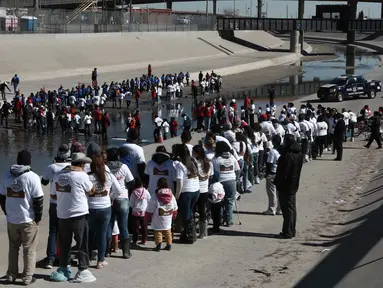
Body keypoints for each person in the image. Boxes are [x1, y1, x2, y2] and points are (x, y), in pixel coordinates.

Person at [50, 153, 96, 283]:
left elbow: (53, 195)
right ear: (81, 164)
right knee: (82, 243)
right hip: (79, 214)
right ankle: (82, 269)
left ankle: (64, 267)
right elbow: (91, 190)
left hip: (62, 215)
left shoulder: (59, 175)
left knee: (64, 243)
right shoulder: (82, 175)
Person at [0, 150, 43, 285]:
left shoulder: (6, 175)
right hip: (28, 219)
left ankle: (11, 274)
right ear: (29, 161)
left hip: (12, 219)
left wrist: (7, 213)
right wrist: (38, 218)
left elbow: (2, 198)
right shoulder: (32, 177)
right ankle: (27, 277)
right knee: (29, 249)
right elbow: (38, 200)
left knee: (13, 248)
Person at [87, 154, 123, 269]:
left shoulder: (88, 177)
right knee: (102, 234)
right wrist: (110, 197)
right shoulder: (109, 176)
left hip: (91, 207)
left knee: (90, 234)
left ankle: (87, 258)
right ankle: (100, 260)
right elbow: (118, 190)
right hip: (105, 207)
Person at [41, 144, 71, 269]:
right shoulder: (71, 167)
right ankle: (64, 258)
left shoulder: (51, 167)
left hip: (54, 202)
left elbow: (44, 182)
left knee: (53, 231)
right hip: (67, 203)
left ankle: (50, 259)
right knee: (66, 232)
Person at [274, 134, 304, 239]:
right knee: (292, 208)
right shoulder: (299, 153)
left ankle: (288, 231)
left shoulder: (288, 155)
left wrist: (277, 182)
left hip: (286, 185)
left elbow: (283, 172)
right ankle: (291, 229)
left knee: (287, 209)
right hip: (294, 183)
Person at [106, 148, 134, 258]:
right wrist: (127, 191)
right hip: (122, 197)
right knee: (123, 226)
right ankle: (126, 252)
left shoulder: (106, 167)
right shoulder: (123, 167)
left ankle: (107, 251)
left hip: (108, 198)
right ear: (118, 156)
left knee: (109, 225)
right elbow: (131, 181)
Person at [174, 144, 200, 243]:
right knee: (190, 212)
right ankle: (188, 233)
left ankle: (189, 234)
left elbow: (179, 182)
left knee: (186, 215)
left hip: (187, 192)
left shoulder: (180, 165)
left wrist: (176, 196)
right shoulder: (193, 160)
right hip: (196, 190)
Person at [212, 141, 240, 227]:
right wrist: (236, 179)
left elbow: (215, 173)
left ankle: (219, 220)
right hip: (231, 180)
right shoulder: (232, 157)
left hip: (220, 181)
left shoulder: (216, 159)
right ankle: (229, 220)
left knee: (219, 200)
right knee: (230, 201)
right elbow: (238, 170)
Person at [145, 178, 178, 252]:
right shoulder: (171, 195)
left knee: (158, 232)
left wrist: (147, 218)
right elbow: (175, 206)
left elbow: (150, 208)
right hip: (168, 216)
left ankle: (158, 246)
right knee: (168, 231)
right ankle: (169, 245)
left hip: (158, 217)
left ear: (158, 185)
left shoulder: (155, 195)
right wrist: (174, 215)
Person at [193, 145, 213, 238]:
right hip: (205, 189)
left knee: (193, 210)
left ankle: (192, 231)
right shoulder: (208, 163)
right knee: (202, 211)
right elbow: (210, 175)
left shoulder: (194, 163)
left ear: (196, 153)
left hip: (196, 189)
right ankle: (203, 233)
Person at [263, 135, 282, 216]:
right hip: (280, 173)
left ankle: (271, 209)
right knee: (279, 192)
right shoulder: (282, 150)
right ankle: (279, 209)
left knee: (272, 192)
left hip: (272, 173)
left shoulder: (272, 151)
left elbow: (270, 163)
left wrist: (267, 174)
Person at [130, 178, 151, 246]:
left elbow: (131, 203)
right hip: (144, 212)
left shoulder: (133, 193)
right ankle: (144, 240)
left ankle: (134, 240)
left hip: (135, 212)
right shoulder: (146, 191)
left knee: (135, 228)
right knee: (144, 227)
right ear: (142, 184)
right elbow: (149, 200)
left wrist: (133, 207)